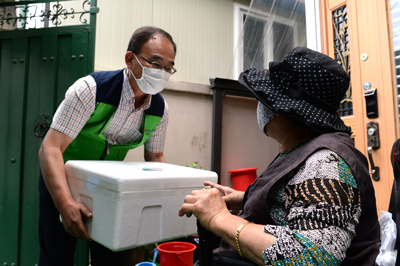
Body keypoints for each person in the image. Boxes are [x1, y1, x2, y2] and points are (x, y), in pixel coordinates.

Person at [179, 47, 380, 265]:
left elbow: (312, 257)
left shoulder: (327, 163)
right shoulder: (303, 148)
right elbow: (301, 198)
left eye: (265, 99)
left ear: (281, 111)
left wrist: (219, 218)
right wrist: (244, 197)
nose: (261, 105)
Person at [38, 26, 176, 266]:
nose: (161, 72)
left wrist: (163, 199)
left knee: (110, 259)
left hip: (108, 191)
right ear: (130, 59)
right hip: (63, 182)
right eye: (155, 63)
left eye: (168, 67)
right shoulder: (91, 90)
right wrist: (64, 202)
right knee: (56, 258)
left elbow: (155, 158)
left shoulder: (159, 109)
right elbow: (50, 148)